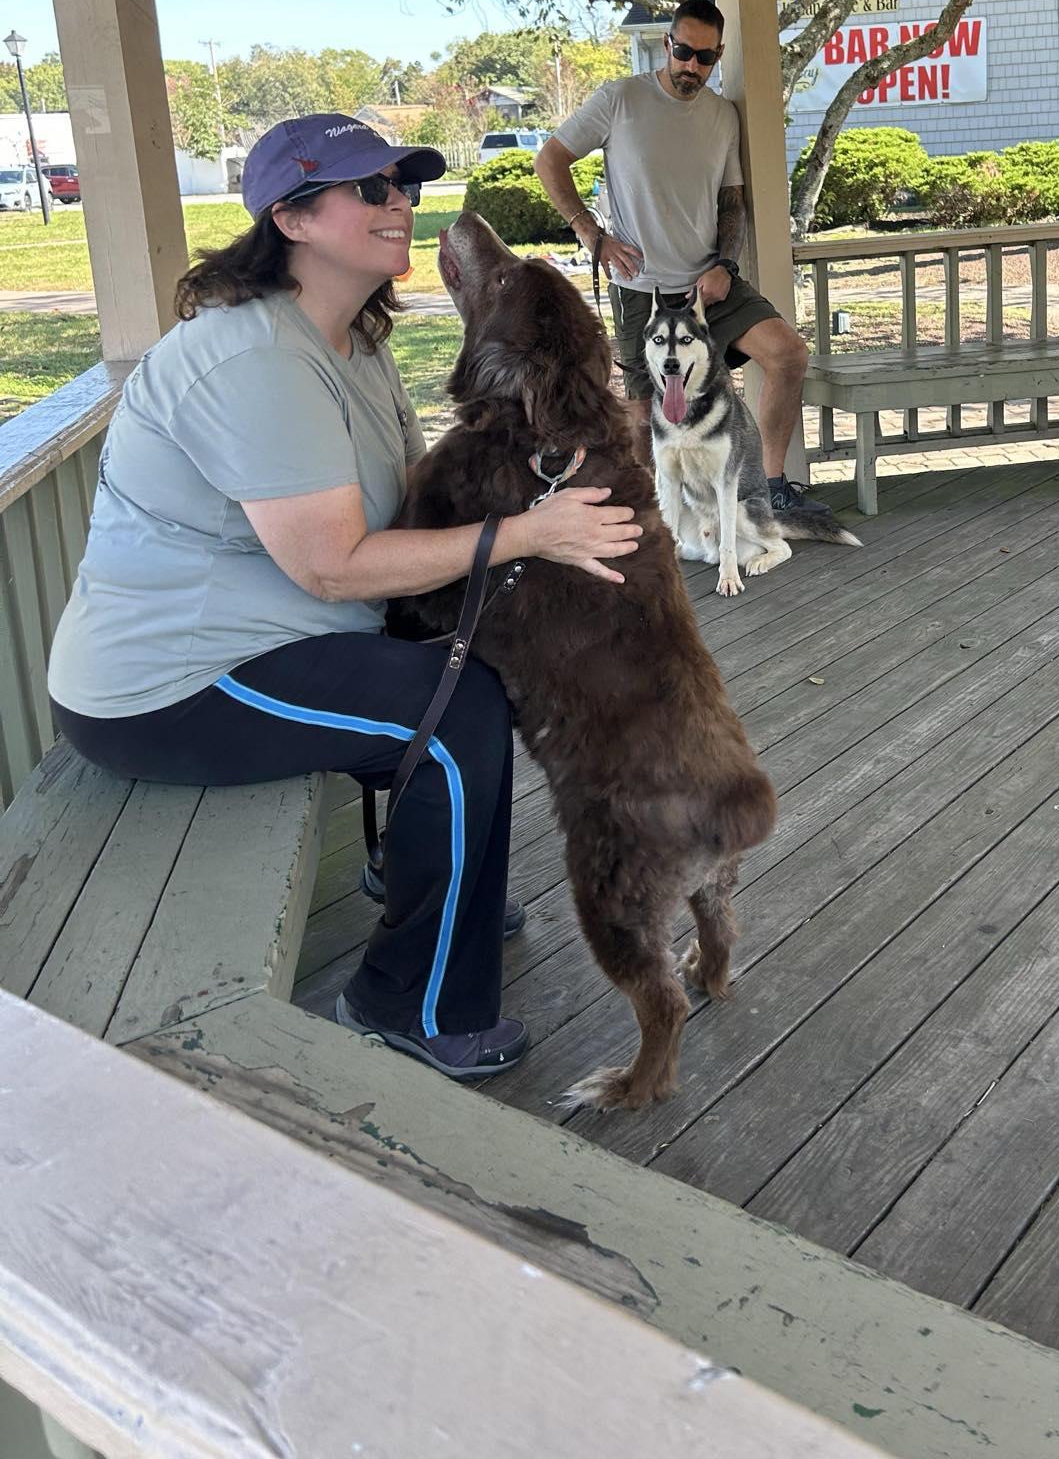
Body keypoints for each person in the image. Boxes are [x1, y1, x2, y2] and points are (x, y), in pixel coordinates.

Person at [46, 112, 640, 1081]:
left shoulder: (349, 340)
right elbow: (331, 567)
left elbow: (408, 490)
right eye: (371, 188)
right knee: (452, 712)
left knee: (465, 674)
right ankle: (410, 1002)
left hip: (274, 639)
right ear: (292, 217)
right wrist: (533, 533)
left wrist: (546, 466)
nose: (400, 203)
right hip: (171, 683)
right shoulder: (258, 360)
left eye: (404, 184)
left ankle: (429, 875)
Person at [534, 0, 832, 517]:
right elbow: (551, 158)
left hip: (709, 285)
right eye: (684, 52)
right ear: (667, 45)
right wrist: (590, 231)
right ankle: (658, 514)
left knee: (788, 355)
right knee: (644, 411)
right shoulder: (620, 98)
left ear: (718, 56)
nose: (692, 67)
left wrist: (725, 265)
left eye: (706, 58)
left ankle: (767, 487)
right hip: (641, 288)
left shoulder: (722, 116)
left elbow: (731, 201)